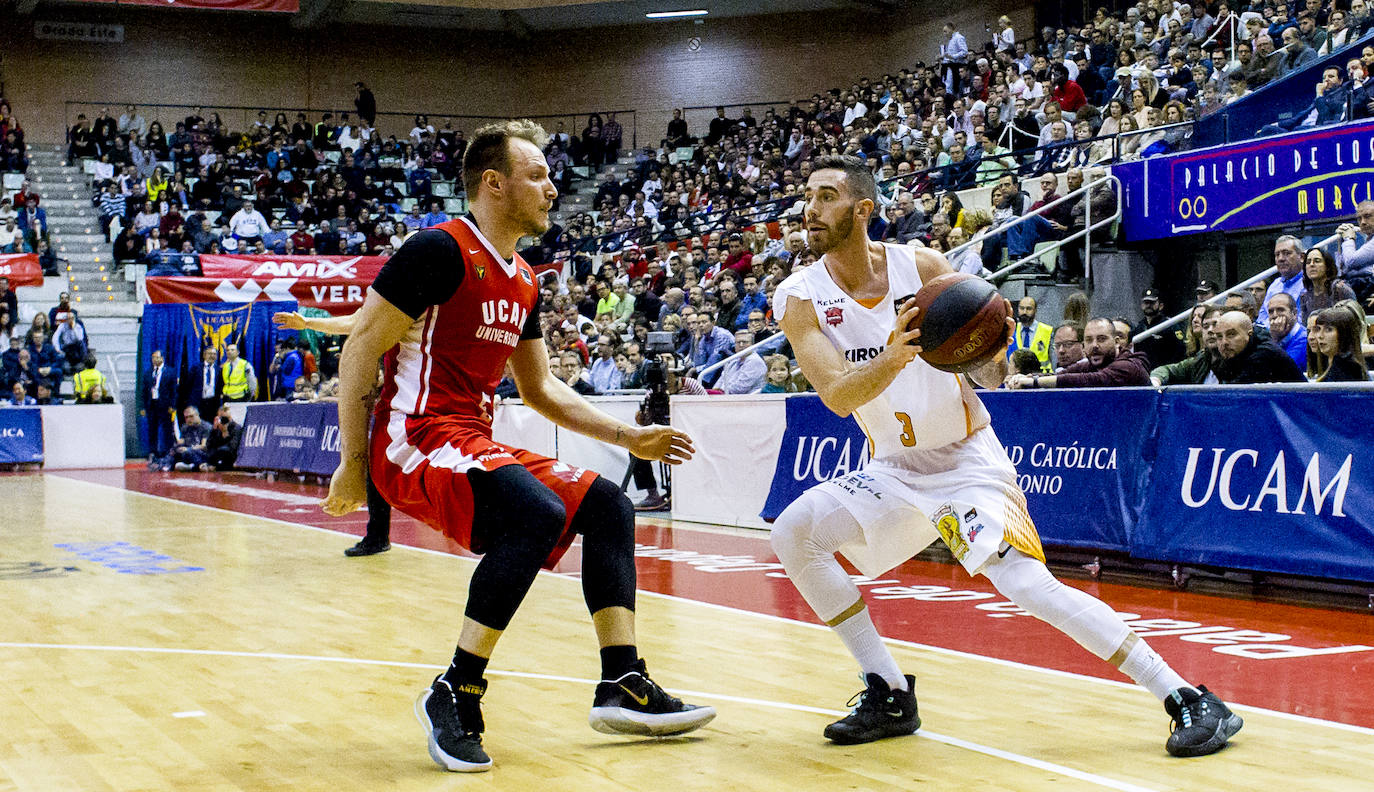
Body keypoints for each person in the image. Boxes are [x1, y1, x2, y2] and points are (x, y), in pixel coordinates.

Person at [770, 155, 1240, 756]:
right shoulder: (798, 296)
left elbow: (987, 375)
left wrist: (993, 345)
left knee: (1027, 586)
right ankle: (887, 689)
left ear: (862, 210)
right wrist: (893, 355)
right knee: (795, 533)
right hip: (893, 468)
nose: (810, 209)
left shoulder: (922, 267)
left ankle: (1187, 697)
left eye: (827, 196)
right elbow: (837, 396)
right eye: (808, 195)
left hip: (965, 460)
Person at [321, 120, 714, 773]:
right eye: (537, 175)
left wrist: (628, 437)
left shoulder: (525, 279)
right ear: (493, 184)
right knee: (536, 513)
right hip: (411, 438)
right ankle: (457, 690)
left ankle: (622, 679)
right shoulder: (436, 250)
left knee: (608, 506)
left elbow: (541, 390)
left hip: (469, 438)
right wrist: (353, 462)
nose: (553, 188)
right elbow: (360, 345)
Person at [273, 309, 392, 557]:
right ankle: (377, 535)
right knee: (376, 468)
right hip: (399, 404)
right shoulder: (390, 304)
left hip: (434, 401)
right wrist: (307, 322)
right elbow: (354, 321)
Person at [1006, 317, 1151, 389]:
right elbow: (1059, 375)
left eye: (1101, 339)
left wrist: (1034, 382)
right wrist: (1024, 377)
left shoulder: (1129, 366)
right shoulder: (1090, 364)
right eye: (1089, 340)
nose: (1094, 346)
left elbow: (1090, 380)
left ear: (1117, 342)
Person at [1212, 310, 1308, 383]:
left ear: (1249, 335)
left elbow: (1233, 397)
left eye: (1231, 335)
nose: (1224, 342)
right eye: (1219, 337)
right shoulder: (1232, 354)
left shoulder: (1265, 354)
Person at [1306, 302, 1371, 381]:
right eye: (1319, 329)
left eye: (1328, 329)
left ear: (1344, 333)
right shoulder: (1331, 364)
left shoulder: (1348, 368)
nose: (1320, 335)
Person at [1133, 288, 1186, 367]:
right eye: (1146, 303)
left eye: (1152, 303)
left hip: (1164, 374)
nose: (1148, 305)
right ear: (1141, 305)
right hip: (1144, 373)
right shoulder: (1139, 327)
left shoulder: (1170, 325)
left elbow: (1180, 352)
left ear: (1161, 306)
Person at [143, 350, 177, 462]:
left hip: (165, 405)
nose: (155, 360)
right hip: (152, 403)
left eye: (157, 357)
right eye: (153, 358)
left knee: (167, 429)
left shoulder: (170, 372)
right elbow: (144, 391)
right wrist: (143, 406)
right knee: (152, 429)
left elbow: (173, 390)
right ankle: (153, 451)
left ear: (162, 358)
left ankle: (168, 451)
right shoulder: (148, 373)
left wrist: (172, 405)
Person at [1006, 297, 1053, 372]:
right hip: (1016, 379)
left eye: (1029, 309)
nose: (1024, 312)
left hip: (1041, 377)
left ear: (1035, 310)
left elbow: (1054, 359)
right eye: (1022, 308)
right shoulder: (1012, 331)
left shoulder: (1047, 331)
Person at [1266, 292, 1308, 369]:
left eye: (1280, 310)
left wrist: (1274, 340)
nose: (1275, 315)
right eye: (1271, 311)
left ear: (1294, 313)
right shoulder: (1269, 334)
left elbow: (1282, 370)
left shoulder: (1304, 338)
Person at [185, 346, 222, 420]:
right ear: (204, 355)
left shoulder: (219, 370)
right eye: (209, 354)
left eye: (214, 354)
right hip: (198, 402)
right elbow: (187, 386)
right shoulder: (195, 368)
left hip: (212, 403)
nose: (212, 356)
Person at [204, 404, 244, 471]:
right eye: (222, 418)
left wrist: (226, 435)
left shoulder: (236, 427)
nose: (224, 421)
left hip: (229, 456)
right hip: (216, 454)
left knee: (222, 450)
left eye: (226, 418)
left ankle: (212, 466)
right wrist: (214, 430)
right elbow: (208, 445)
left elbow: (233, 447)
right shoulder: (216, 428)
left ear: (231, 417)